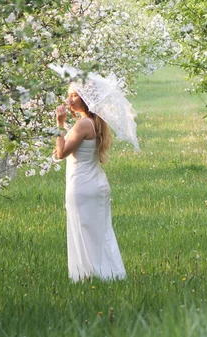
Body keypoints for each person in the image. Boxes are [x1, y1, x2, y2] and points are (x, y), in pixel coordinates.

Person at [53, 83, 127, 282]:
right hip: (95, 184)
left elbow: (61, 153)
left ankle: (92, 275)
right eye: (69, 95)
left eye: (75, 95)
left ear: (86, 99)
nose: (70, 100)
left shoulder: (83, 124)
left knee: (84, 232)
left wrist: (59, 125)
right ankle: (110, 274)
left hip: (82, 185)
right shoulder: (94, 122)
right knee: (100, 233)